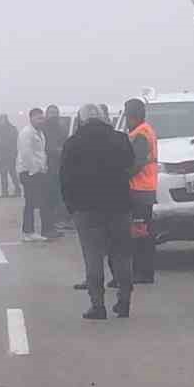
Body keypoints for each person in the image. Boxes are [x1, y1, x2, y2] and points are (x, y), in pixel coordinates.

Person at [59, 104, 136, 319]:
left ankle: (98, 305)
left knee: (93, 256)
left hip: (86, 209)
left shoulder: (73, 144)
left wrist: (70, 207)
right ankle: (124, 302)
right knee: (122, 255)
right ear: (104, 119)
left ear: (82, 119)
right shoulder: (120, 139)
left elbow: (64, 179)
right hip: (120, 206)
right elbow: (131, 166)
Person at [123, 98, 159, 284]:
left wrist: (122, 177)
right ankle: (142, 271)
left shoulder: (141, 133)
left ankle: (143, 273)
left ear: (132, 115)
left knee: (141, 233)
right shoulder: (142, 130)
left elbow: (137, 162)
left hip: (140, 189)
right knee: (141, 232)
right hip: (144, 188)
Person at [16, 107, 57, 241]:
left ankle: (33, 230)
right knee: (30, 202)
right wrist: (35, 170)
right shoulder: (26, 133)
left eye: (42, 118)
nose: (41, 120)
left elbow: (41, 152)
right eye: (38, 118)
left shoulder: (40, 132)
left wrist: (43, 167)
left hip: (39, 171)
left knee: (38, 201)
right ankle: (28, 231)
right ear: (31, 118)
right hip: (29, 172)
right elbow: (26, 154)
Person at [0, 113, 20, 198]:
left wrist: (2, 142)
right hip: (2, 155)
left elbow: (14, 140)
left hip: (10, 155)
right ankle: (5, 192)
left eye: (2, 119)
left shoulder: (11, 129)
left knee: (12, 173)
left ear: (6, 119)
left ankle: (17, 190)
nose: (0, 121)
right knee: (3, 173)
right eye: (0, 119)